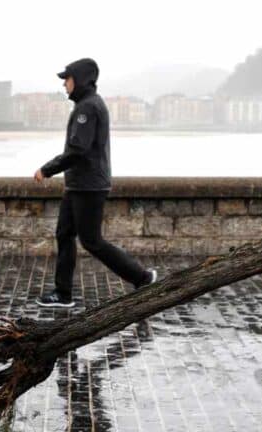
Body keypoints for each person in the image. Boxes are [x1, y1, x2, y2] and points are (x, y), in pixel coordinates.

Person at [33, 58, 156, 308]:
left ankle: (142, 277)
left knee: (92, 241)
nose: (65, 85)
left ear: (79, 80)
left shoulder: (87, 108)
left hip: (88, 186)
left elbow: (78, 150)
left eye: (67, 79)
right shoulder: (86, 105)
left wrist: (46, 170)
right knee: (64, 234)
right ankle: (63, 293)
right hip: (80, 184)